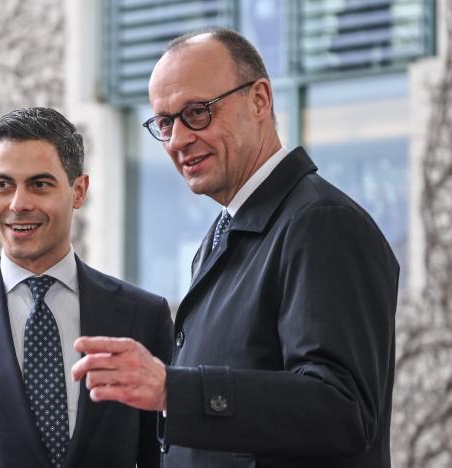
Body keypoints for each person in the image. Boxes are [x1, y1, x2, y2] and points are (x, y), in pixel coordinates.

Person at [71, 28, 399, 467]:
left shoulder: (321, 223)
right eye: (165, 122)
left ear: (260, 100)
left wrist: (172, 389)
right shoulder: (225, 232)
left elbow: (342, 409)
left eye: (197, 112)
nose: (177, 139)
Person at [0, 107, 173, 468]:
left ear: (78, 190)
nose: (18, 204)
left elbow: (164, 458)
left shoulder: (142, 317)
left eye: (39, 184)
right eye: (3, 185)